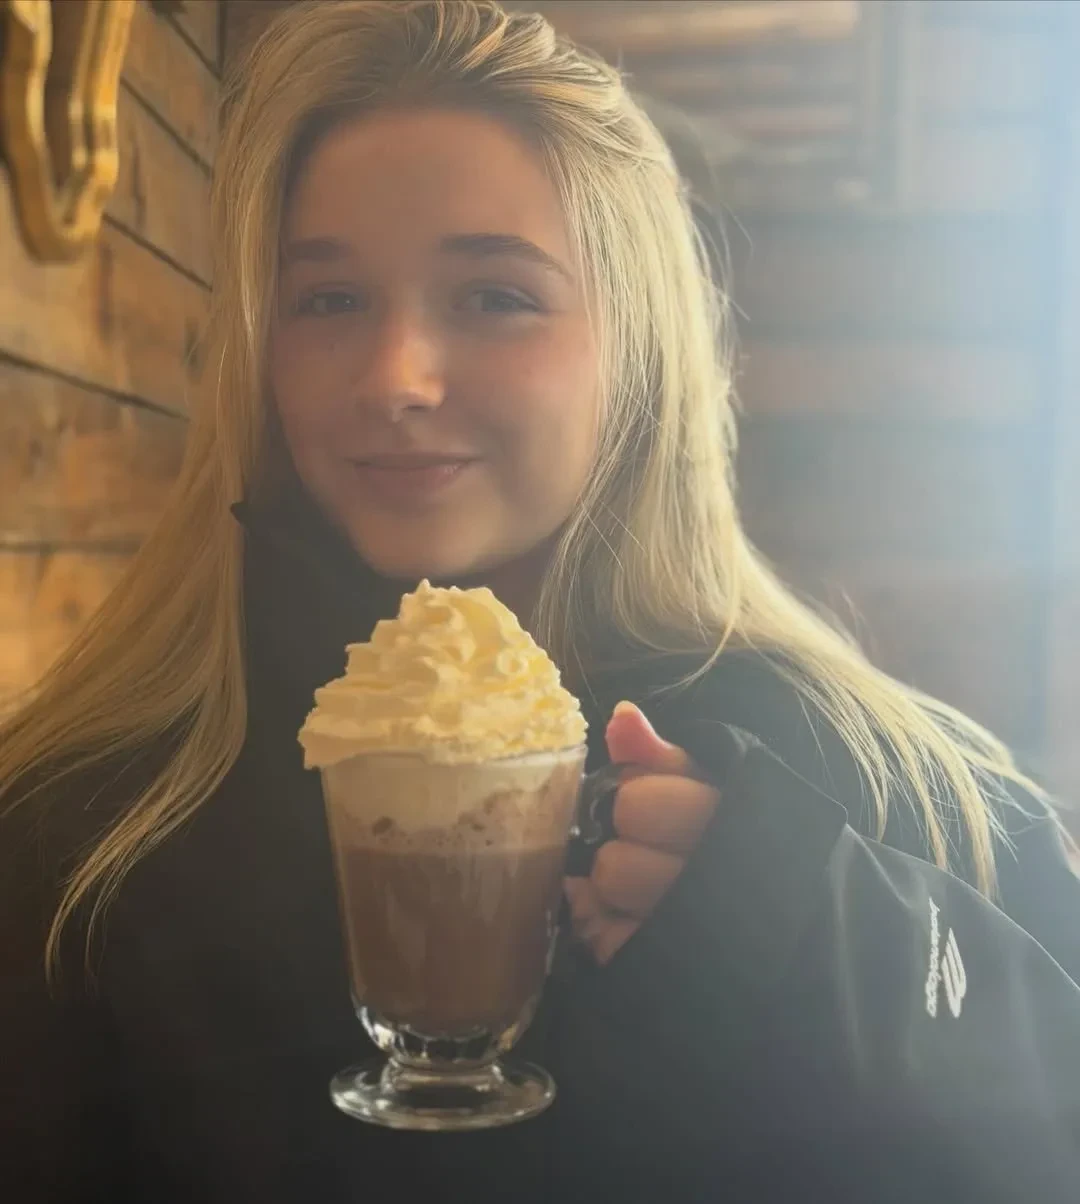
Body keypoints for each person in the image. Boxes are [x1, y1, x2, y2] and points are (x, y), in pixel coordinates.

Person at [2, 2, 1079, 1200]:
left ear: (637, 348)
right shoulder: (83, 829)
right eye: (329, 301)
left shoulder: (905, 794)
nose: (397, 378)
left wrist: (817, 935)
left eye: (494, 296)